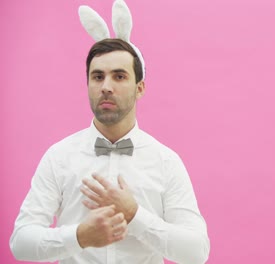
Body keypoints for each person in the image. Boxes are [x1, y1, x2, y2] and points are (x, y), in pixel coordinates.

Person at [9, 2, 210, 263]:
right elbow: (21, 243)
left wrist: (134, 214)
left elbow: (196, 252)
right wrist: (80, 236)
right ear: (88, 84)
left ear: (140, 88)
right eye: (97, 76)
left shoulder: (166, 161)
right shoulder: (58, 157)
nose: (106, 86)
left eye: (119, 76)